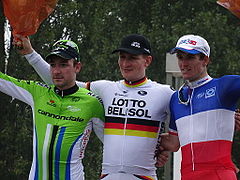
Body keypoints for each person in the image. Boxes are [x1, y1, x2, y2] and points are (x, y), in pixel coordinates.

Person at [17, 34, 174, 180]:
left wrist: (162, 144)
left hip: (143, 176)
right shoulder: (105, 88)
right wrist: (30, 54)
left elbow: (183, 132)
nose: (125, 63)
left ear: (147, 61)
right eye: (122, 57)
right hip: (108, 176)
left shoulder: (164, 93)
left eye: (132, 58)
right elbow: (61, 80)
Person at [6, 38, 105, 180]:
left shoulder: (92, 102)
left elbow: (111, 143)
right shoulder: (38, 92)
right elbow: (3, 81)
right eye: (53, 65)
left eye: (64, 65)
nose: (57, 71)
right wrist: (28, 52)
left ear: (77, 67)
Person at [160, 34, 239, 180]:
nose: (183, 63)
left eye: (190, 57)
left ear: (205, 60)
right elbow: (173, 143)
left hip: (218, 174)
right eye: (180, 57)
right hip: (187, 176)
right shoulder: (176, 98)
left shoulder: (223, 86)